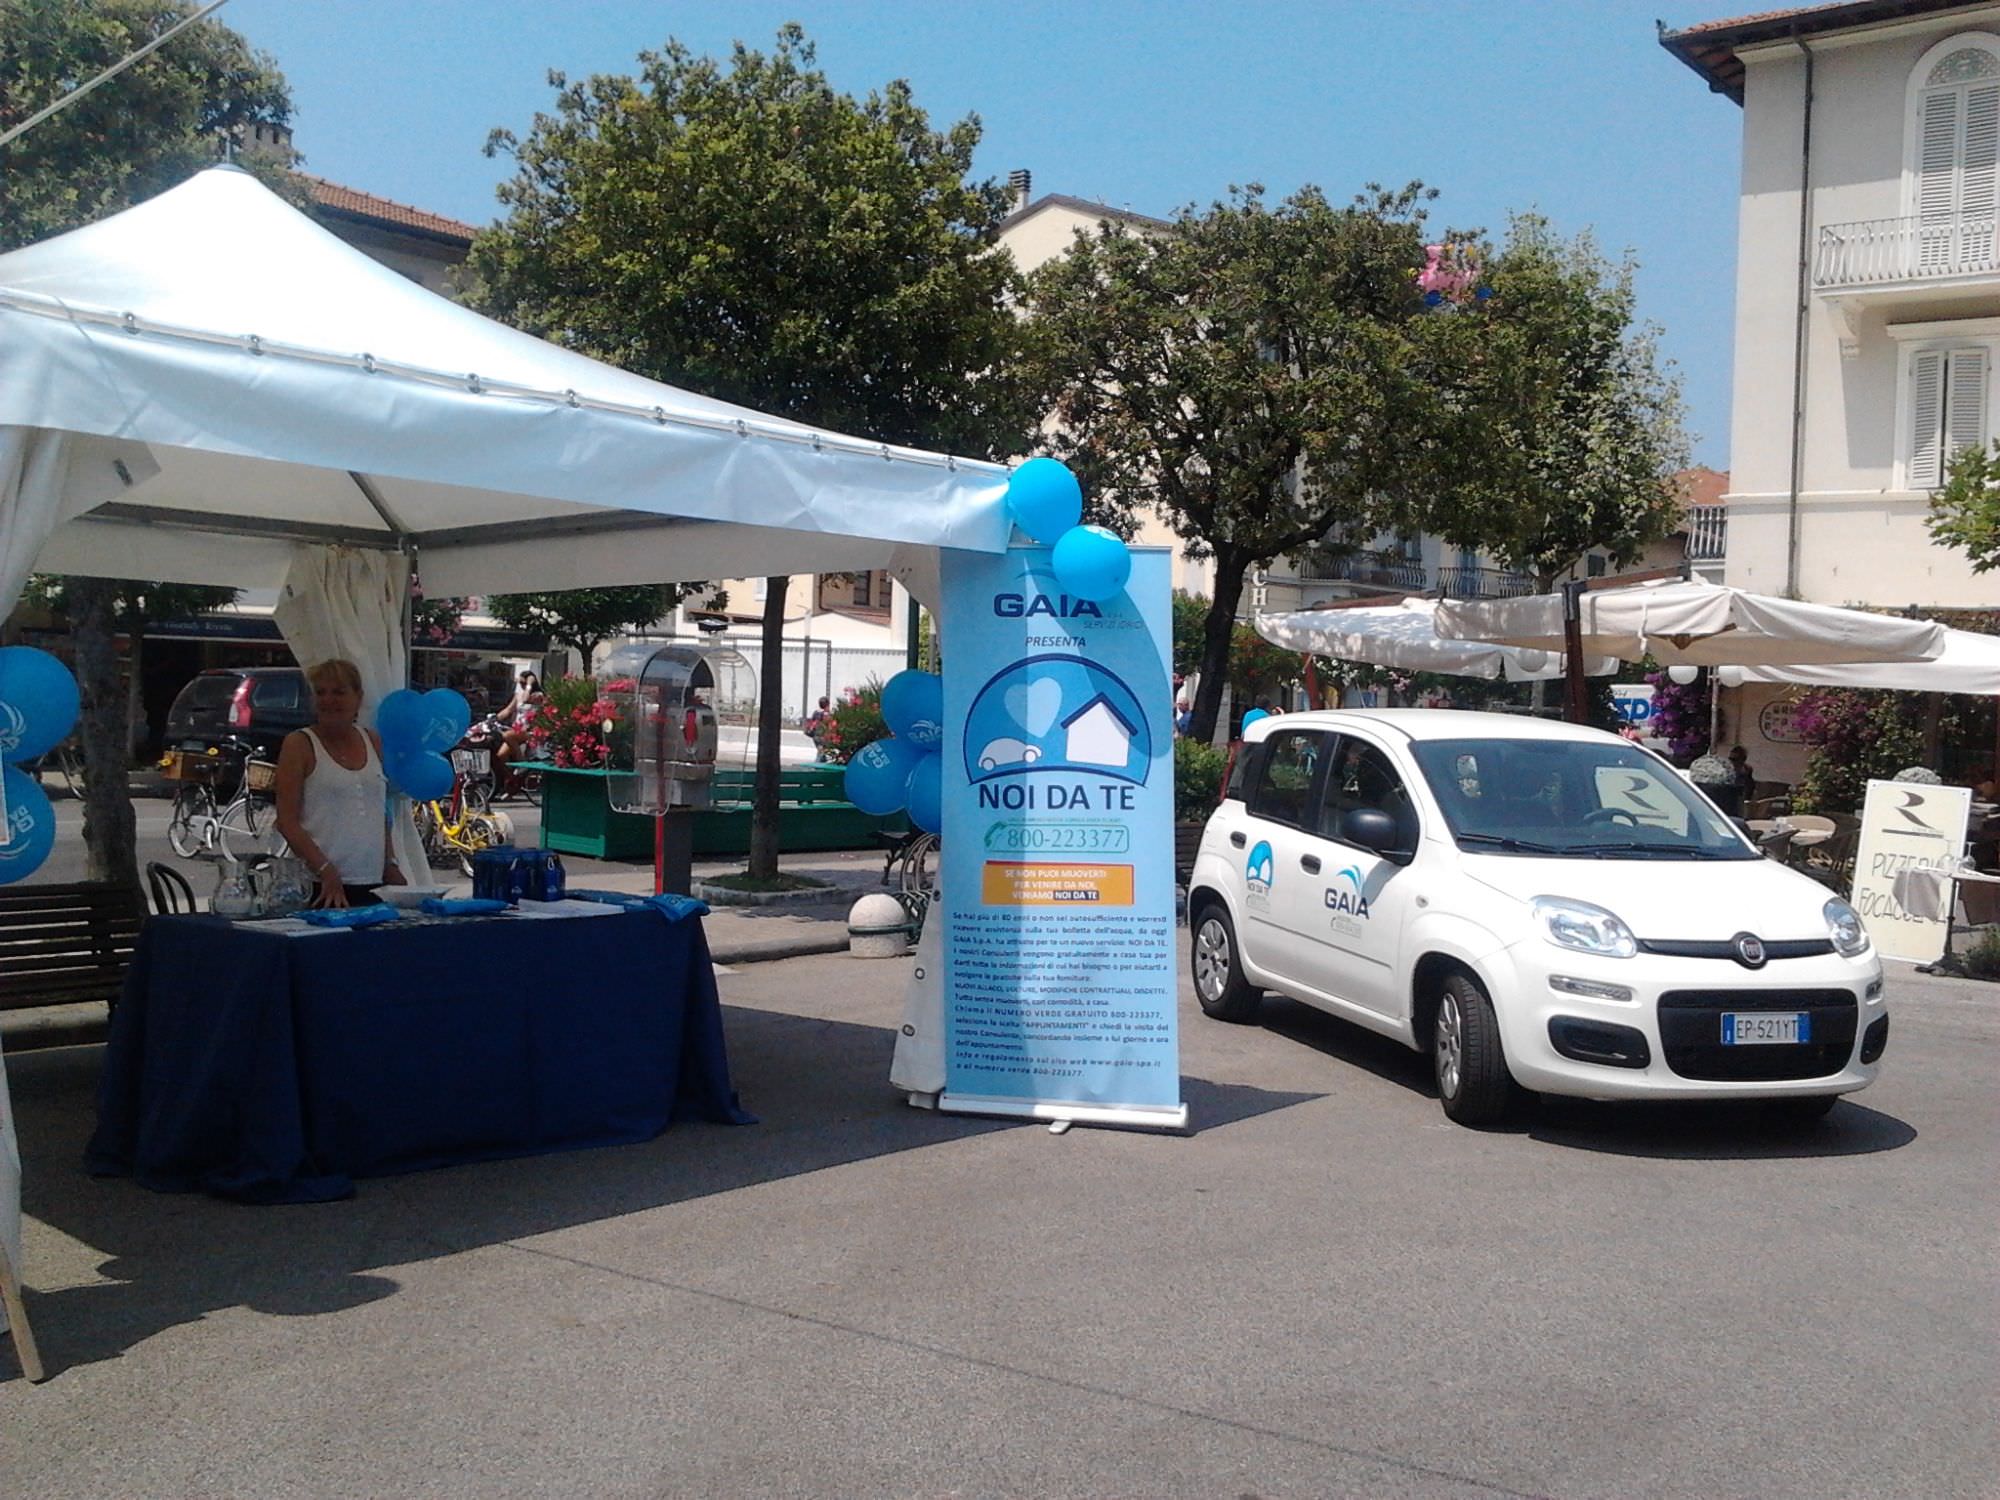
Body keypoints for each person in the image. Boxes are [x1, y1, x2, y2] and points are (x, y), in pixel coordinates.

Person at [273, 658, 404, 908]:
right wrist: (325, 870)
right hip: (320, 885)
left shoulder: (372, 741)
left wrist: (391, 863)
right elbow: (286, 821)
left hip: (374, 881)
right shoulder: (299, 744)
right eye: (321, 693)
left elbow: (380, 812)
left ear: (358, 697)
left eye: (339, 692)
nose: (329, 700)